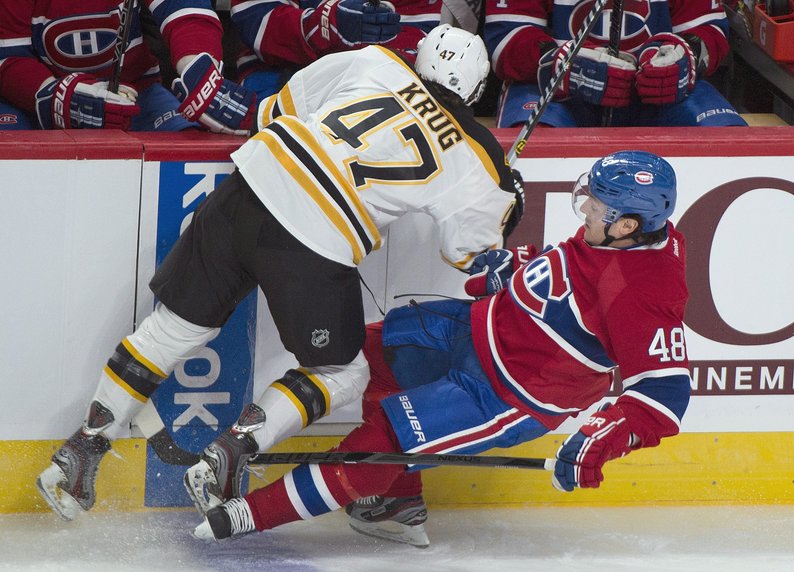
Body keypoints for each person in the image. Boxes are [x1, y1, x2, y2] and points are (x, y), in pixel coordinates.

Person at [35, 25, 524, 522]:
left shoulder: (376, 60)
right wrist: (509, 202)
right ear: (476, 88)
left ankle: (79, 454)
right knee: (343, 372)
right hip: (315, 234)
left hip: (252, 182)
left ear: (419, 60)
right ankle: (229, 453)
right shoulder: (477, 152)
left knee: (173, 329)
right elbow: (468, 254)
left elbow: (280, 107)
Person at [191, 150, 692, 549]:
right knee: (358, 354)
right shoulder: (617, 238)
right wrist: (514, 269)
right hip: (472, 331)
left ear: (628, 225)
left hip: (502, 392)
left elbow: (665, 394)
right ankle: (394, 506)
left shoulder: (645, 290)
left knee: (380, 442)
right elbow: (574, 277)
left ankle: (247, 516)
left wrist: (600, 440)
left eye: (598, 206)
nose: (585, 208)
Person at [0, 1, 255, 133]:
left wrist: (199, 66)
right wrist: (56, 96)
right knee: (11, 151)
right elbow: (7, 57)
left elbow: (186, 10)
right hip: (34, 101)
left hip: (136, 95)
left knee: (187, 143)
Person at [483, 0, 748, 128]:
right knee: (534, 143)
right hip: (557, 93)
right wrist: (563, 65)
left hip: (659, 96)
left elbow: (707, 29)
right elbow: (506, 37)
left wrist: (685, 56)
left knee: (726, 135)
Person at [228, 0, 438, 102]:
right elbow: (256, 23)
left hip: (379, 85)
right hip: (278, 76)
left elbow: (415, 42)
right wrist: (321, 26)